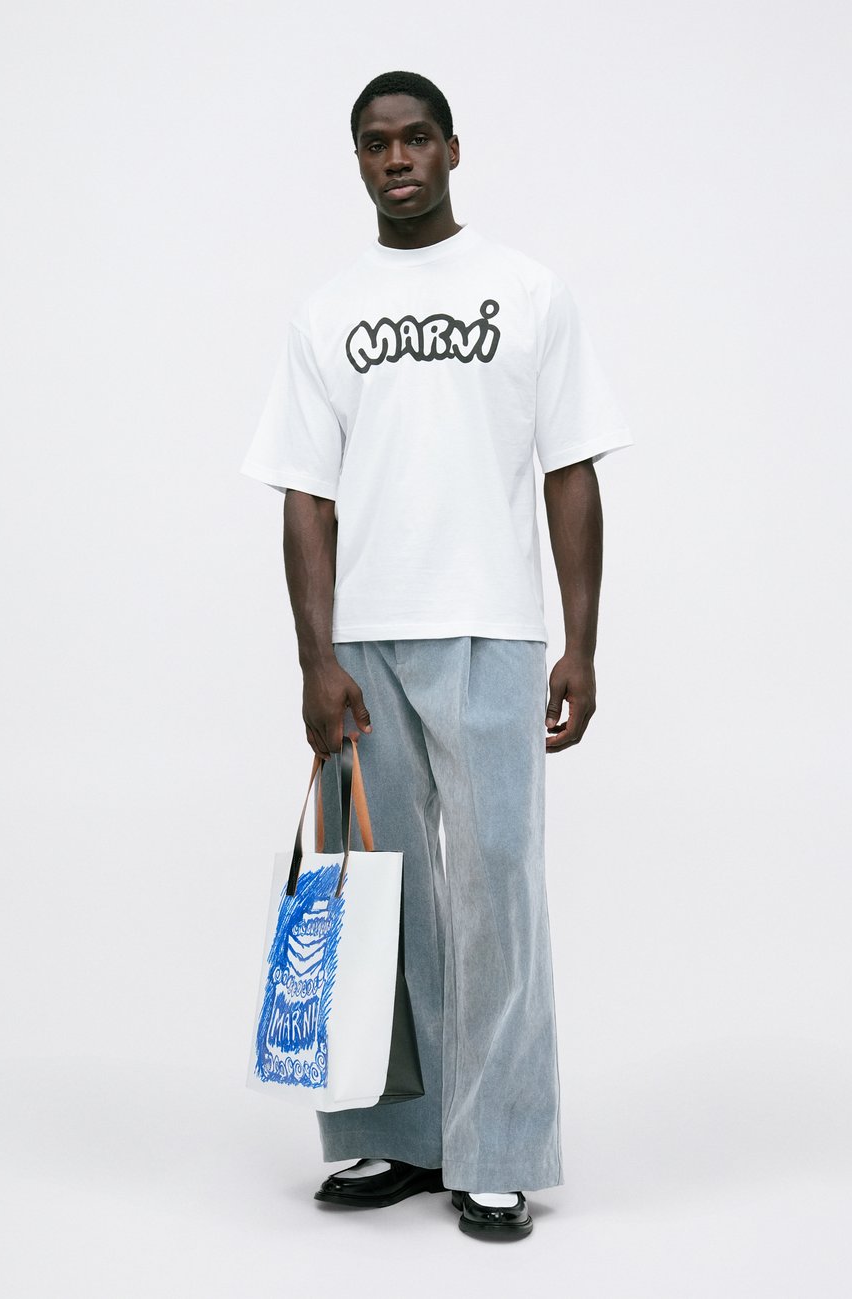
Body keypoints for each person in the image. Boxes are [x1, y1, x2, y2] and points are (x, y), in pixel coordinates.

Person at [240, 70, 632, 1241]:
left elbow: (571, 467)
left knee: (498, 880)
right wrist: (315, 659)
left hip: (495, 626)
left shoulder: (528, 291)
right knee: (381, 885)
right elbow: (305, 495)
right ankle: (398, 1137)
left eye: (416, 139)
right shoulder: (326, 312)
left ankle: (496, 1145)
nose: (398, 158)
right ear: (358, 160)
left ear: (453, 150)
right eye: (377, 143)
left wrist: (581, 642)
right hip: (363, 639)